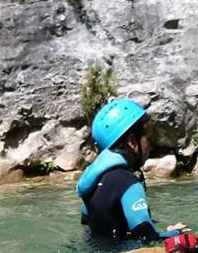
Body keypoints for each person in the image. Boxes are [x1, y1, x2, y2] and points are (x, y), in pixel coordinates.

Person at [77, 98, 188, 240]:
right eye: (148, 139)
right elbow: (145, 237)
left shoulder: (93, 182)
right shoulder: (130, 184)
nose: (151, 146)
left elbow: (86, 221)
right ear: (132, 142)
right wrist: (174, 233)